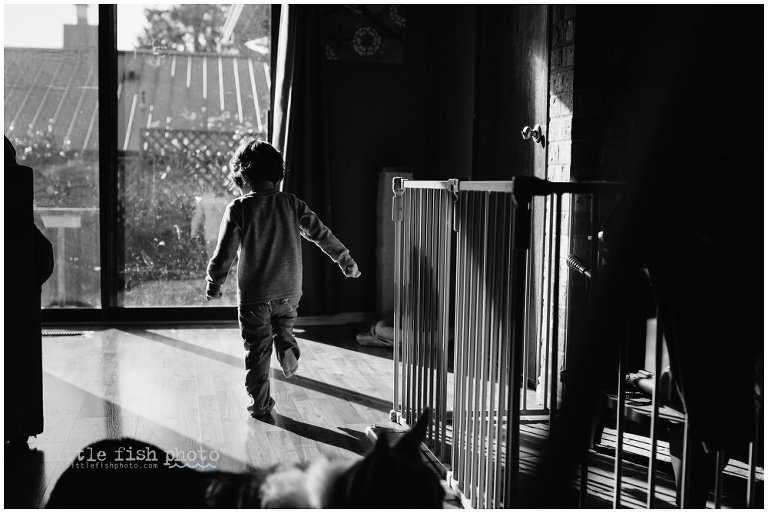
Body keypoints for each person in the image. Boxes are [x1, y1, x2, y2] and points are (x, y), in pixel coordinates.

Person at [205, 138, 361, 418]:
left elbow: (224, 252)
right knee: (283, 327)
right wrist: (344, 259)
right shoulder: (291, 203)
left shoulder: (239, 208)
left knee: (257, 351)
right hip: (290, 291)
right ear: (278, 173)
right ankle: (288, 347)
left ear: (242, 175)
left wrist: (214, 282)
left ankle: (261, 403)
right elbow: (321, 234)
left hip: (255, 296)